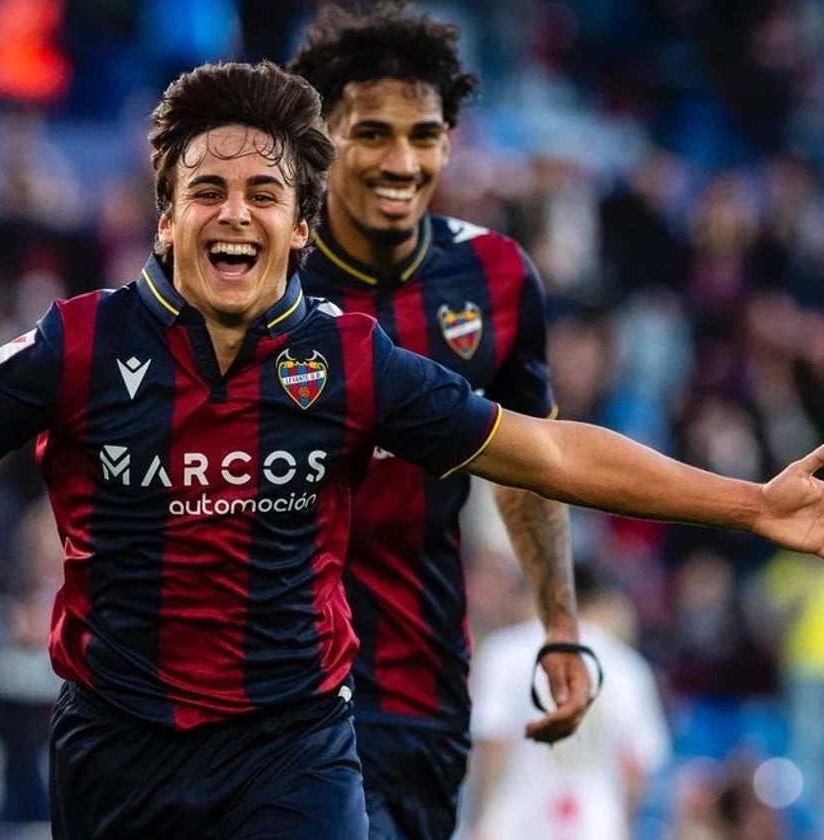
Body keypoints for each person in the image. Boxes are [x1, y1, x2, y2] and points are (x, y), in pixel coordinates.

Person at [0, 60, 824, 840]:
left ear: (297, 222)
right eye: (205, 189)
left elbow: (548, 455)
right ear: (164, 214)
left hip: (291, 749)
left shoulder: (352, 360)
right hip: (116, 748)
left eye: (263, 193)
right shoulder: (77, 346)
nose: (234, 212)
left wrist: (747, 505)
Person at [287, 4, 586, 837]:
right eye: (372, 133)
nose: (402, 160)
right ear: (324, 140)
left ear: (451, 139)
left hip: (423, 682)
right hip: (279, 684)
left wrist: (559, 627)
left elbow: (533, 466)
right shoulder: (265, 275)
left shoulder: (495, 274)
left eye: (424, 134)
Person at [466, 562, 671, 840]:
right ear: (604, 602)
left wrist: (482, 818)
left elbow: (493, 742)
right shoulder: (628, 668)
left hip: (514, 824)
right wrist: (624, 825)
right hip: (597, 827)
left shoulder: (506, 651)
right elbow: (637, 768)